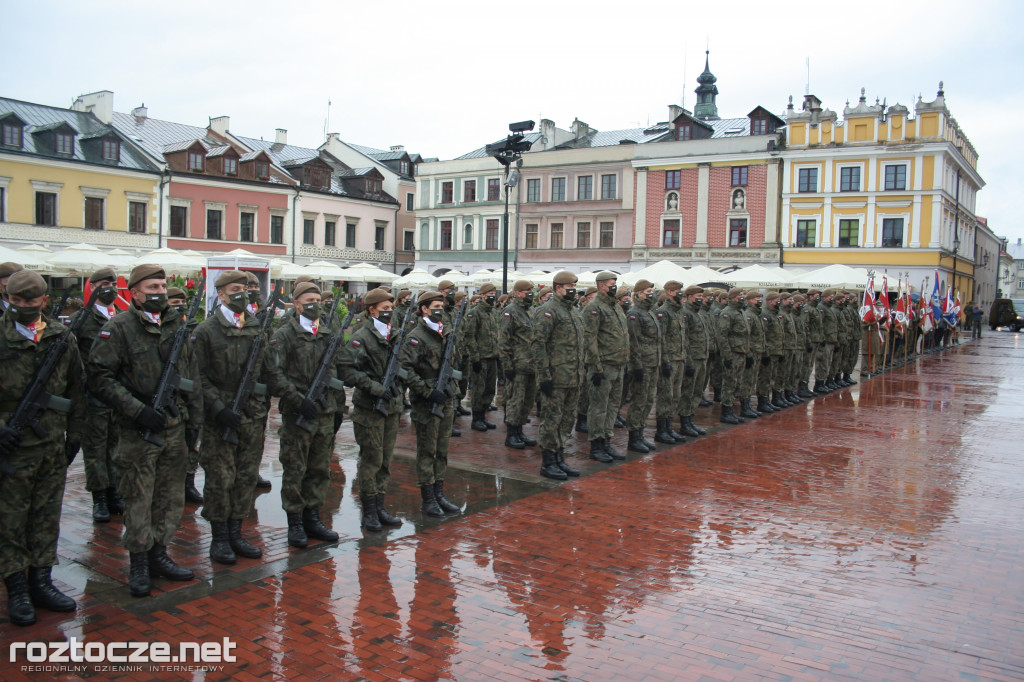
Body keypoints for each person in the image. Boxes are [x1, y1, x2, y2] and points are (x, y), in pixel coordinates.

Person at [88, 264, 202, 598]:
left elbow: (190, 376)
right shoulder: (118, 328)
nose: (159, 292)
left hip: (173, 427)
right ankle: (138, 563)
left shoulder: (174, 325)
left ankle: (159, 555)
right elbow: (98, 378)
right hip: (137, 431)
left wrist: (195, 420)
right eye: (151, 287)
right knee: (139, 498)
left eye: (162, 286)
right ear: (134, 292)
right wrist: (137, 409)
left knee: (169, 497)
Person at [0, 269, 86, 625]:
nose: (22, 306)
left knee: (46, 515)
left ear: (44, 301)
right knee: (11, 520)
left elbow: (76, 390)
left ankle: (41, 580)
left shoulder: (60, 337)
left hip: (50, 444)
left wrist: (75, 436)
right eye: (15, 301)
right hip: (12, 447)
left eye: (30, 301)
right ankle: (17, 588)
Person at [192, 270, 268, 565]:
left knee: (245, 476)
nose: (242, 294)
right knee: (220, 479)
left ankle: (237, 533)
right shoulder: (207, 330)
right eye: (234, 289)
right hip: (219, 417)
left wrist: (258, 403)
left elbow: (265, 371)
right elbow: (197, 376)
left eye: (245, 289)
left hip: (250, 415)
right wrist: (218, 408)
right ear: (221, 294)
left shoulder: (255, 327)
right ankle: (220, 538)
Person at [264, 281, 341, 549]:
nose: (315, 304)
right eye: (309, 300)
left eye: (318, 300)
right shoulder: (284, 335)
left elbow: (335, 370)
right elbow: (274, 374)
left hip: (323, 412)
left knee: (319, 469)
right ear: (296, 304)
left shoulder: (328, 333)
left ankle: (313, 517)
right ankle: (295, 522)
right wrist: (298, 400)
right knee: (295, 469)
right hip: (297, 415)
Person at [339, 288, 405, 532]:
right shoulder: (361, 337)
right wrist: (375, 387)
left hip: (391, 407)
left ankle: (380, 505)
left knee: (386, 460)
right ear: (372, 310)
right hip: (369, 407)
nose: (389, 312)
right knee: (371, 459)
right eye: (385, 309)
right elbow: (347, 370)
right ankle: (368, 510)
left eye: (391, 308)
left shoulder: (395, 335)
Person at [398, 291, 462, 516]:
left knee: (442, 449)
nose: (440, 310)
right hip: (427, 401)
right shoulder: (416, 336)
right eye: (435, 306)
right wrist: (427, 391)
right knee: (427, 450)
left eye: (441, 306)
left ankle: (439, 493)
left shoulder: (446, 332)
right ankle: (428, 498)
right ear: (424, 309)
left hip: (446, 397)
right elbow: (404, 369)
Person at [70, 267, 125, 522]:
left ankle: (114, 491)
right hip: (92, 395)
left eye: (113, 283)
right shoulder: (83, 319)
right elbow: (71, 358)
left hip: (118, 395)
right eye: (104, 283)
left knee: (115, 447)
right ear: (92, 287)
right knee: (95, 450)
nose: (110, 287)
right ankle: (99, 497)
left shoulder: (122, 317)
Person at [533, 271, 586, 477]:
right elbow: (538, 345)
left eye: (574, 285)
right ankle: (547, 462)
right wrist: (544, 376)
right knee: (551, 420)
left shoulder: (573, 311)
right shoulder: (547, 311)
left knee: (566, 420)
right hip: (555, 377)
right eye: (569, 286)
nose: (573, 289)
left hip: (573, 376)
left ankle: (559, 457)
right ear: (558, 288)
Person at [164, 286, 205, 505]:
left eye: (182, 301)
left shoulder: (192, 327)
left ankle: (189, 483)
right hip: (171, 397)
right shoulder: (166, 329)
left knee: (192, 443)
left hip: (190, 394)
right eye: (174, 301)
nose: (179, 305)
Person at [583, 271, 629, 461]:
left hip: (618, 365)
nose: (614, 286)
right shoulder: (594, 308)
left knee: (612, 407)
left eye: (615, 283)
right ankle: (596, 446)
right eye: (612, 283)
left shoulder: (615, 307)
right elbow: (589, 338)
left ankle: (606, 442)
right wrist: (596, 367)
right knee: (599, 408)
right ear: (602, 285)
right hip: (602, 367)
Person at [498, 280, 539, 450]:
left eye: (531, 290)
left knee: (527, 401)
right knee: (515, 400)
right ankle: (511, 434)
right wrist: (507, 366)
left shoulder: (530, 310)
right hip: (517, 365)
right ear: (518, 293)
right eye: (527, 290)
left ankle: (520, 431)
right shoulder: (510, 312)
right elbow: (503, 341)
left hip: (531, 364)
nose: (531, 292)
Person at [244, 271, 274, 492]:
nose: (253, 290)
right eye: (248, 287)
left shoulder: (263, 311)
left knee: (258, 431)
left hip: (260, 383)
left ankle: (253, 470)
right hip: (243, 379)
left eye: (255, 286)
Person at [625, 280, 661, 453]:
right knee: (639, 400)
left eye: (652, 291)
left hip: (653, 362)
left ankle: (640, 434)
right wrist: (637, 365)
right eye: (648, 291)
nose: (651, 294)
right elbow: (634, 341)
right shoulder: (634, 313)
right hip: (642, 364)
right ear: (639, 293)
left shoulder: (650, 312)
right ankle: (633, 437)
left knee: (647, 400)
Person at [462, 283, 500, 432]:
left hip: (492, 356)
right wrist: (475, 357)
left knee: (490, 389)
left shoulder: (493, 313)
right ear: (483, 295)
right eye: (489, 293)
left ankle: (483, 416)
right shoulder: (474, 313)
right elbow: (469, 336)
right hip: (480, 358)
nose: (492, 295)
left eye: (493, 292)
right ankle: (476, 418)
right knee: (479, 389)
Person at [654, 280, 688, 444]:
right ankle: (661, 430)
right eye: (677, 290)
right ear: (669, 292)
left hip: (679, 358)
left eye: (681, 290)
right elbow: (662, 338)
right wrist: (665, 361)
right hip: (669, 360)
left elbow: (682, 337)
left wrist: (684, 357)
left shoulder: (679, 311)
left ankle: (669, 428)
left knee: (675, 395)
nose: (680, 292)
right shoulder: (664, 312)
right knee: (665, 396)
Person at [716, 287, 749, 424]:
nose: (742, 297)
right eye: (740, 295)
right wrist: (727, 356)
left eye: (743, 294)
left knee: (737, 382)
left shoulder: (739, 311)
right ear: (733, 297)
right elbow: (722, 336)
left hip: (741, 351)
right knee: (729, 383)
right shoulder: (727, 313)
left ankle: (732, 411)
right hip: (732, 353)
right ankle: (726, 412)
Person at [573, 286, 598, 435]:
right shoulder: (587, 312)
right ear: (589, 298)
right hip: (586, 358)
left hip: (592, 357)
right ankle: (582, 420)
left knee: (590, 391)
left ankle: (586, 418)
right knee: (585, 392)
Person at [739, 290, 765, 419]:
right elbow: (746, 336)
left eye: (760, 297)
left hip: (757, 351)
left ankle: (748, 405)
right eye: (756, 298)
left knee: (752, 379)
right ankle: (744, 406)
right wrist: (748, 353)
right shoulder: (748, 314)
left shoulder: (756, 314)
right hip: (751, 352)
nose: (759, 300)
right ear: (749, 300)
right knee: (747, 380)